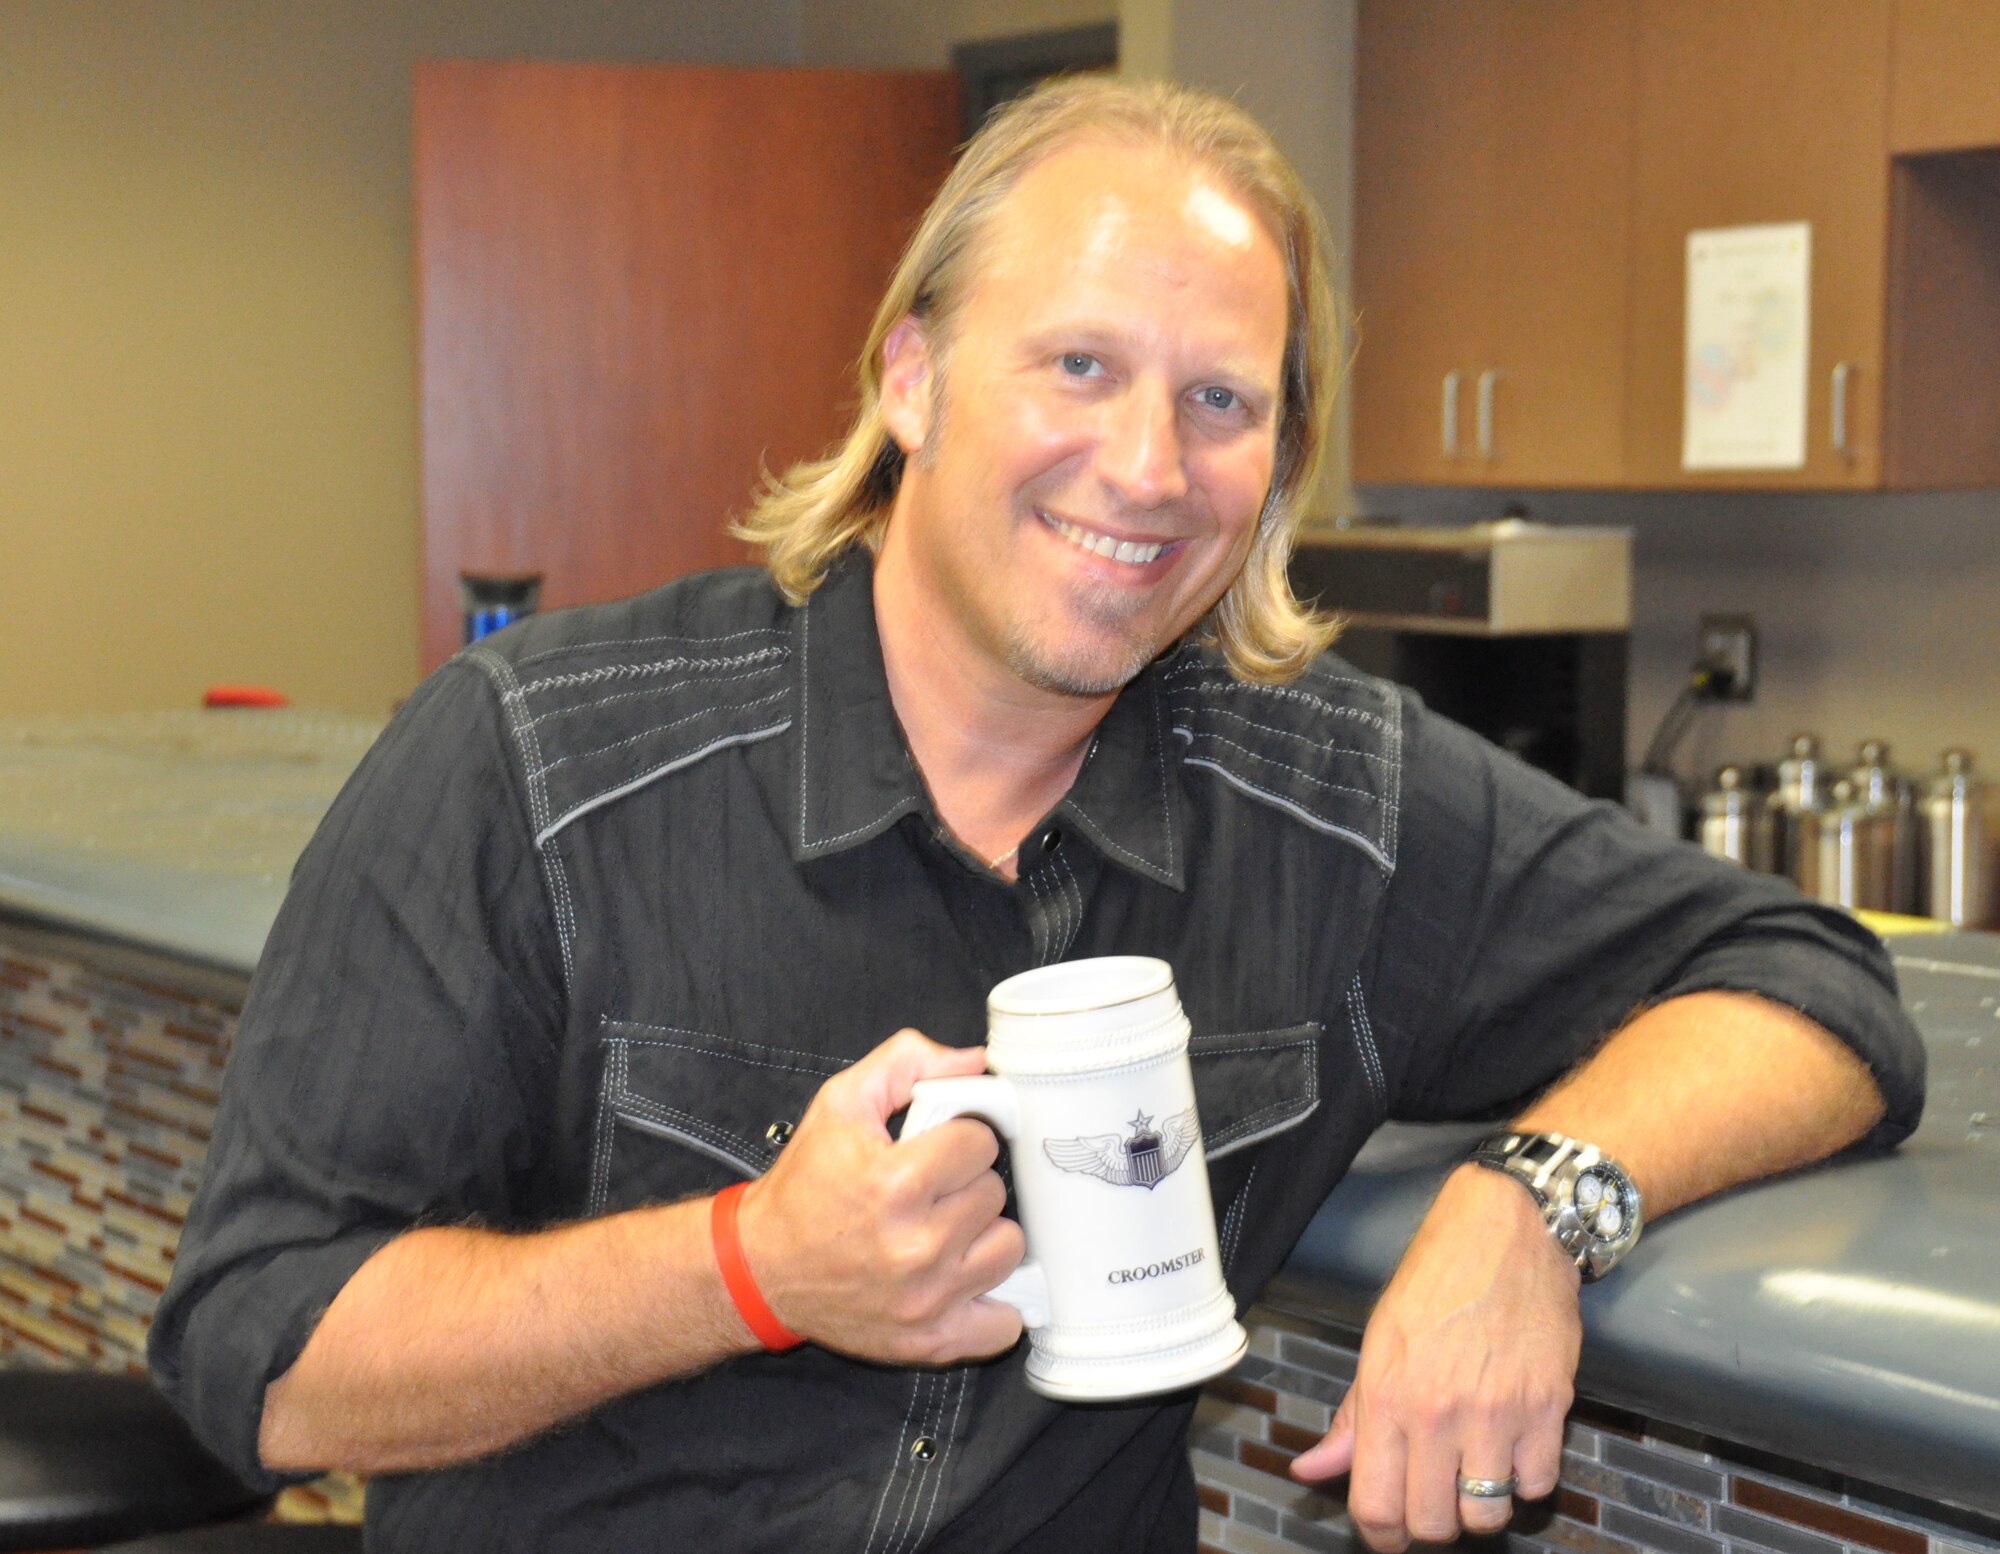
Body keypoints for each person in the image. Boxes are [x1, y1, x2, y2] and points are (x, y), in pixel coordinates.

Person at [152, 77, 1923, 1554]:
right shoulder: (531, 762)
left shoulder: (1332, 807)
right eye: (1078, 365)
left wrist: (1530, 1209)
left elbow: (1811, 982)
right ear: (910, 379)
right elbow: (263, 1351)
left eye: (1220, 400)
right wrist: (750, 1265)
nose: (1149, 467)